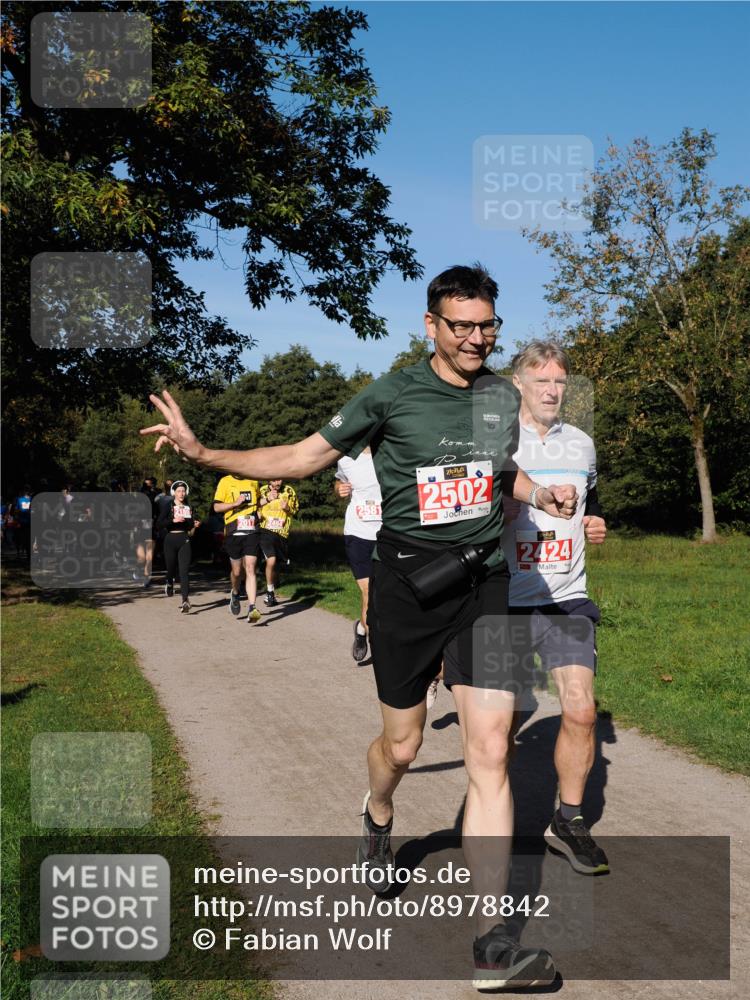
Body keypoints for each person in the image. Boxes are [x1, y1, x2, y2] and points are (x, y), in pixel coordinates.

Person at [141, 264, 579, 990]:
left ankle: (492, 949)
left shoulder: (503, 396)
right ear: (431, 326)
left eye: (487, 324)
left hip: (485, 583)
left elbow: (499, 475)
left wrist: (546, 494)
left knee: (492, 751)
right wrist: (203, 453)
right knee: (402, 746)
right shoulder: (392, 393)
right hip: (408, 588)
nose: (476, 338)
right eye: (461, 325)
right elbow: (303, 458)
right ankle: (378, 814)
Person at [503, 341, 609, 876]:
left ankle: (569, 820)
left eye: (560, 382)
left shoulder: (583, 444)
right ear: (517, 381)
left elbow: (593, 505)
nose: (551, 390)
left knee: (581, 710)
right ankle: (494, 816)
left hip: (566, 598)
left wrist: (594, 524)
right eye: (540, 380)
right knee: (505, 723)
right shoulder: (497, 440)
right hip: (502, 601)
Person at [334, 447, 382, 661]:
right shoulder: (345, 457)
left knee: (386, 595)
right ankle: (383, 655)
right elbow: (339, 481)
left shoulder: (391, 450)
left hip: (388, 533)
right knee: (369, 592)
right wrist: (339, 489)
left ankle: (362, 631)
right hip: (358, 533)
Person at [212, 473, 262, 624]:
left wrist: (267, 501)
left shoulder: (253, 480)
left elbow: (258, 502)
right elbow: (216, 507)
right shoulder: (225, 481)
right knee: (237, 571)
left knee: (251, 568)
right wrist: (234, 503)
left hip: (251, 531)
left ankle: (252, 607)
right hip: (234, 531)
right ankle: (235, 592)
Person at [156, 480, 201, 613]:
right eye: (179, 491)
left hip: (184, 539)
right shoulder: (168, 506)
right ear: (174, 493)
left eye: (183, 491)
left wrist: (195, 524)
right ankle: (169, 581)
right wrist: (172, 520)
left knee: (184, 571)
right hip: (170, 539)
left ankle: (185, 600)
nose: (181, 493)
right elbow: (159, 524)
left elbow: (190, 525)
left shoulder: (188, 507)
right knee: (171, 568)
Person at [258, 479, 299, 607]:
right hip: (265, 531)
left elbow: (295, 510)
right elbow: (255, 506)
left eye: (279, 479)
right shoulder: (262, 490)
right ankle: (270, 593)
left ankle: (271, 589)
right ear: (269, 480)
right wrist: (258, 514)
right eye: (275, 480)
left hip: (282, 533)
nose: (277, 482)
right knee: (271, 560)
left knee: (276, 565)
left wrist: (287, 508)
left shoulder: (289, 491)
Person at [134, 476, 159, 586]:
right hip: (140, 527)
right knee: (142, 557)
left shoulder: (157, 496)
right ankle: (137, 570)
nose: (148, 487)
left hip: (151, 525)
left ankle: (146, 577)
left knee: (149, 555)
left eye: (150, 484)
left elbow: (158, 511)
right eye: (146, 485)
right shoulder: (139, 496)